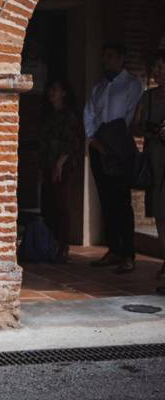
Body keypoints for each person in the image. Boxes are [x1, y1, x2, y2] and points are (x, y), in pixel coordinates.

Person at [84, 42, 144, 273]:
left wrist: (114, 140)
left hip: (119, 145)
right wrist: (93, 140)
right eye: (104, 57)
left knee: (122, 201)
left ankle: (128, 253)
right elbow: (89, 114)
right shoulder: (98, 87)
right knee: (106, 200)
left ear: (121, 58)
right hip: (99, 147)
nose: (105, 61)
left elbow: (131, 116)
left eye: (110, 56)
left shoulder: (131, 85)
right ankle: (114, 250)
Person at [38, 78, 82, 263]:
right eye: (51, 89)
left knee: (61, 206)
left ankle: (63, 247)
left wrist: (59, 165)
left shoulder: (69, 116)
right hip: (48, 164)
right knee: (48, 205)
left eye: (55, 89)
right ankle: (51, 244)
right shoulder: (49, 116)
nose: (51, 92)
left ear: (64, 92)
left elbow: (72, 143)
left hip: (63, 167)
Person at [137, 51, 165, 285]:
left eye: (161, 67)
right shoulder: (147, 97)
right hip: (155, 162)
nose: (157, 72)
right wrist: (153, 131)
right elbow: (134, 127)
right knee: (159, 212)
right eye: (155, 67)